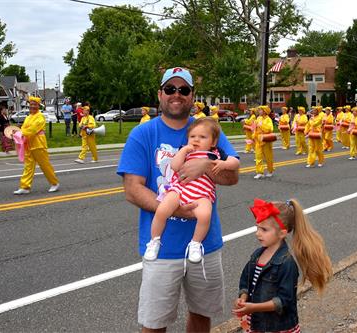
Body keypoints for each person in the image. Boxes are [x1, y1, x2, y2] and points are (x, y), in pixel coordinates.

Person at [117, 67, 239, 332]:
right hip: (161, 249)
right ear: (160, 94)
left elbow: (232, 177)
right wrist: (177, 209)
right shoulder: (143, 134)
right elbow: (132, 189)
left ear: (192, 96)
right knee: (154, 323)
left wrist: (205, 166)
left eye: (183, 90)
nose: (177, 95)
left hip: (205, 246)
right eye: (170, 89)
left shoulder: (206, 130)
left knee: (201, 315)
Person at [144, 117, 239, 262]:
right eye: (192, 137)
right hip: (180, 189)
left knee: (205, 215)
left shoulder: (215, 154)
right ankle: (154, 241)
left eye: (202, 137)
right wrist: (183, 152)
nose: (196, 140)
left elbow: (235, 162)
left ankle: (195, 243)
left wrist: (223, 163)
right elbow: (175, 166)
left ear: (213, 142)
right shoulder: (185, 151)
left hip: (202, 194)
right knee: (162, 210)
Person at [233, 198, 332, 333]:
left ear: (282, 233)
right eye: (257, 227)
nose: (258, 233)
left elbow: (283, 300)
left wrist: (253, 307)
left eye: (264, 229)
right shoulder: (256, 255)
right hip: (257, 321)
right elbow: (246, 281)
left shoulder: (287, 264)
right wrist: (243, 298)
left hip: (278, 327)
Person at [13, 96, 59, 195]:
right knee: (28, 166)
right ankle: (25, 187)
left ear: (38, 106)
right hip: (28, 143)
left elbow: (33, 129)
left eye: (35, 104)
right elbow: (24, 129)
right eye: (31, 104)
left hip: (38, 144)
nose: (32, 106)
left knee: (44, 165)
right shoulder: (28, 117)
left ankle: (54, 183)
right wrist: (17, 132)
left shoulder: (40, 116)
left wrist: (21, 132)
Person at [253, 105, 275, 179]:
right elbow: (255, 128)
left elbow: (270, 129)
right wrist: (254, 136)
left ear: (265, 111)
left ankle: (270, 171)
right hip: (258, 140)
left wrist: (262, 125)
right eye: (259, 110)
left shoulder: (268, 119)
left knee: (268, 157)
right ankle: (259, 172)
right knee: (258, 156)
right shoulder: (258, 118)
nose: (259, 111)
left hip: (266, 140)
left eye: (260, 110)